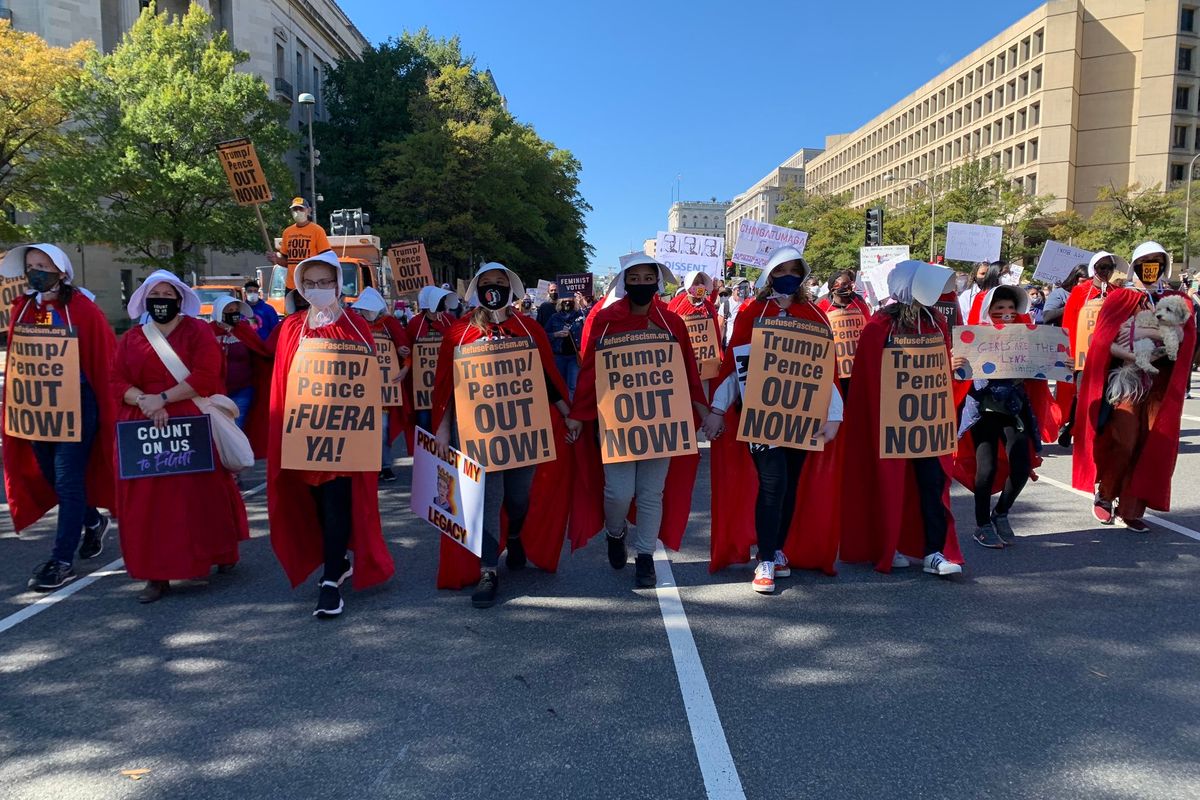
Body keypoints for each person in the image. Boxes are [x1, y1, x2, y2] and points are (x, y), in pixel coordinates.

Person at [702, 247, 845, 592]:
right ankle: (765, 558)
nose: (788, 276)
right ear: (770, 274)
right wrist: (718, 410)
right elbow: (735, 366)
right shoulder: (753, 312)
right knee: (773, 483)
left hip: (803, 415)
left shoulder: (814, 313)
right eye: (782, 270)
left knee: (791, 484)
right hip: (761, 415)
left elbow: (829, 370)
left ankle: (778, 548)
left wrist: (834, 415)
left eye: (795, 270)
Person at [431, 263, 573, 608]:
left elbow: (548, 376)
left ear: (511, 289)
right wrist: (442, 428)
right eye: (487, 283)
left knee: (519, 496)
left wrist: (569, 414)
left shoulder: (528, 328)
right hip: (476, 433)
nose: (493, 288)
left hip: (522, 430)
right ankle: (488, 570)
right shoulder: (459, 333)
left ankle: (514, 534)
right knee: (485, 500)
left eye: (499, 283)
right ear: (476, 289)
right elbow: (446, 386)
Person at [565, 253, 709, 588]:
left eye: (649, 278)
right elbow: (590, 373)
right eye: (635, 278)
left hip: (662, 421)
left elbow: (688, 368)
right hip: (616, 421)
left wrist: (702, 409)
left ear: (657, 282)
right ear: (624, 282)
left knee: (650, 493)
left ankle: (645, 557)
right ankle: (615, 534)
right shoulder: (606, 320)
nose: (642, 284)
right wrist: (577, 415)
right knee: (617, 492)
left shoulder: (672, 322)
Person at [267, 252, 394, 617]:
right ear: (301, 286)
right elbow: (281, 382)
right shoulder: (291, 327)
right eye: (311, 283)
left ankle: (329, 582)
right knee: (317, 505)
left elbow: (366, 382)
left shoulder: (355, 326)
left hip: (343, 436)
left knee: (338, 503)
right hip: (305, 434)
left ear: (338, 284)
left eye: (326, 282)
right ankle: (336, 562)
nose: (319, 289)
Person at [112, 271, 250, 603]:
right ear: (146, 299)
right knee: (146, 505)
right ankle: (155, 573)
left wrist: (164, 398)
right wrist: (145, 401)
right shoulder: (131, 339)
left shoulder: (197, 331)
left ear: (178, 298)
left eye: (167, 293)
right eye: (154, 293)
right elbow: (114, 379)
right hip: (143, 427)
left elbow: (205, 375)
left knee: (202, 495)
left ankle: (217, 551)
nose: (161, 298)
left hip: (189, 423)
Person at [0, 244, 117, 591]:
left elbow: (105, 358)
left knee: (67, 482)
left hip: (76, 407)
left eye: (43, 265)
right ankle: (93, 521)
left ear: (62, 271)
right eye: (31, 265)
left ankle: (61, 559)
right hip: (37, 408)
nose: (36, 271)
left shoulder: (82, 308)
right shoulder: (21, 308)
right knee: (53, 478)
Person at [840, 260, 964, 577]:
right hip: (890, 423)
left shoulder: (935, 322)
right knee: (889, 484)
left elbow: (940, 368)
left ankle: (934, 551)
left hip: (929, 422)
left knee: (932, 484)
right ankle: (888, 544)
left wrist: (955, 366)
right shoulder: (878, 326)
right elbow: (867, 380)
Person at [1072, 279, 1196, 530]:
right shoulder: (1122, 298)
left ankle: (1129, 508)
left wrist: (1144, 334)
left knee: (1147, 446)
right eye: (1146, 262)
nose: (1150, 267)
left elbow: (1183, 338)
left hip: (1160, 387)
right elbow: (1104, 340)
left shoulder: (1175, 297)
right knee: (1124, 442)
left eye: (1156, 262)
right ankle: (1105, 495)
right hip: (1127, 381)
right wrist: (1133, 353)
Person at [951, 286, 1048, 548]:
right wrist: (955, 365)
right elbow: (959, 378)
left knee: (1020, 466)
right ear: (987, 310)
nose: (1006, 313)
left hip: (1013, 408)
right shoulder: (974, 336)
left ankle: (1001, 513)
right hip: (982, 411)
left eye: (1010, 308)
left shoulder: (1027, 336)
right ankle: (982, 525)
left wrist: (1060, 363)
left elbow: (1042, 367)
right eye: (998, 308)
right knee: (986, 469)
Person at [1058, 251, 1126, 447]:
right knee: (1085, 402)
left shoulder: (1118, 294)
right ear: (1093, 268)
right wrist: (1069, 355)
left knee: (1106, 405)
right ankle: (1078, 432)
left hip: (1111, 359)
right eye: (1101, 267)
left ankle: (1089, 436)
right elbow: (1068, 325)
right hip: (1083, 360)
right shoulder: (1080, 292)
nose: (1105, 271)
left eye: (1109, 267)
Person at [351, 287, 411, 482]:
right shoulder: (356, 323)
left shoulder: (390, 323)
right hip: (362, 387)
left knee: (383, 428)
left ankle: (385, 465)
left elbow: (405, 348)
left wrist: (405, 366)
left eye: (370, 309)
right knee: (365, 428)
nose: (366, 313)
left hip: (385, 389)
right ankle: (368, 465)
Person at [209, 295, 272, 458]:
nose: (234, 313)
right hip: (215, 393)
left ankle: (234, 470)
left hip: (243, 390)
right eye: (229, 310)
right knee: (218, 431)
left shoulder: (244, 330)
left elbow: (260, 351)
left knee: (236, 429)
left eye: (236, 310)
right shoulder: (207, 333)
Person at [404, 285, 456, 440]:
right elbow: (408, 349)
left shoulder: (449, 321)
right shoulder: (415, 324)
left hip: (446, 385)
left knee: (448, 426)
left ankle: (448, 462)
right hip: (423, 391)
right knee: (424, 426)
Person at [818, 269, 873, 399]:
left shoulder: (858, 303)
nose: (848, 287)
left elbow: (868, 326)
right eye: (844, 284)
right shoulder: (822, 305)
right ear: (833, 288)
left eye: (850, 284)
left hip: (857, 367)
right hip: (834, 368)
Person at [667, 270, 722, 396]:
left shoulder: (708, 306)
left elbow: (715, 334)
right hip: (683, 362)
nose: (699, 286)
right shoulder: (676, 303)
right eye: (695, 283)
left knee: (704, 396)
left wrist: (719, 356)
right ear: (688, 285)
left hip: (705, 363)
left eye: (701, 283)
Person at [266, 197, 333, 287]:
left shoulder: (317, 230)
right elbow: (286, 261)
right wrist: (276, 259)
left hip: (311, 284)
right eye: (295, 209)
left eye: (301, 208)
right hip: (291, 285)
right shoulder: (287, 232)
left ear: (308, 210)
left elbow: (326, 258)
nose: (297, 211)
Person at [545, 296, 585, 398]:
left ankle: (572, 410)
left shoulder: (579, 316)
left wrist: (582, 304)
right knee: (560, 384)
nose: (567, 303)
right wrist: (556, 334)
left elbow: (589, 325)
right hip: (559, 356)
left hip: (574, 356)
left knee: (573, 385)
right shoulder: (554, 317)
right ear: (560, 303)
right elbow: (544, 335)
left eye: (570, 301)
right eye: (565, 301)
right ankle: (565, 408)